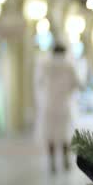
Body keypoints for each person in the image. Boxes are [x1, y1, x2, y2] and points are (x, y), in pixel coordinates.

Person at [35, 43, 80, 173]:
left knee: (50, 134)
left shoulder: (45, 64)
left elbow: (39, 82)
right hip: (64, 104)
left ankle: (52, 162)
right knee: (64, 134)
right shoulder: (69, 65)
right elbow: (76, 83)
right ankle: (65, 160)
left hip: (49, 104)